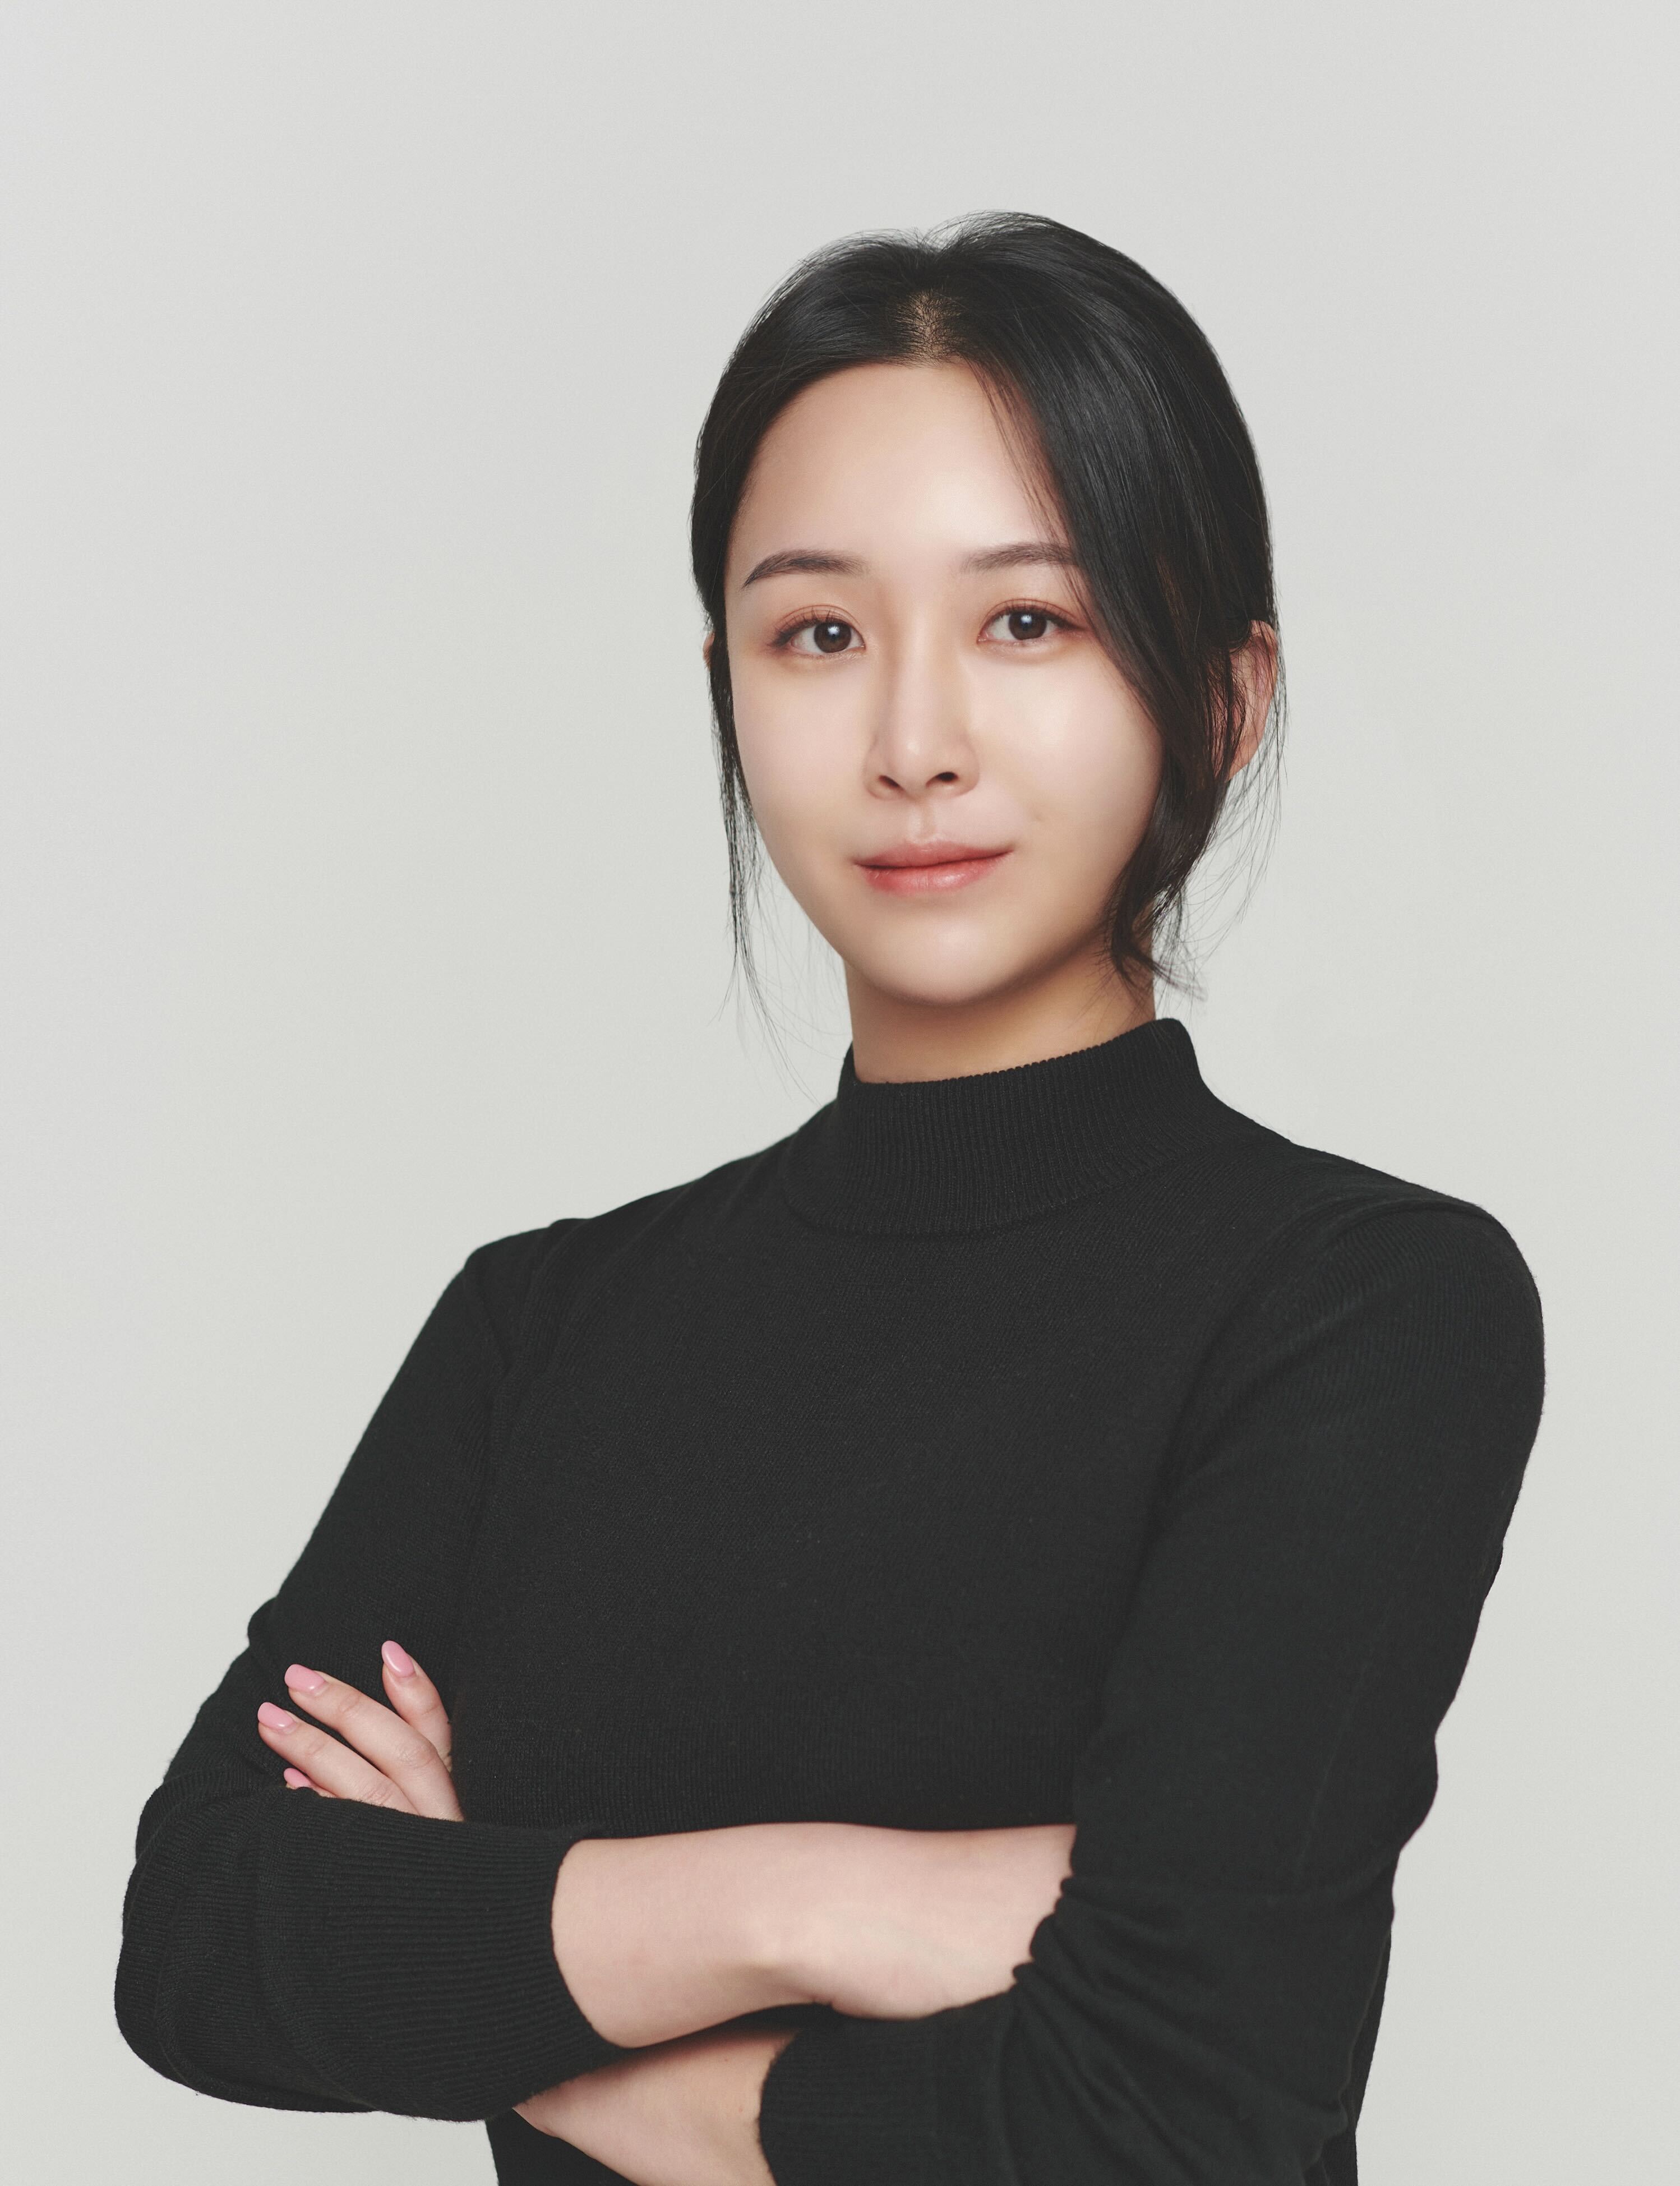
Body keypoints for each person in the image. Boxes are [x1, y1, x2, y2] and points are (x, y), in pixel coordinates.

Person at [115, 213, 1545, 2186]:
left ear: (1222, 701)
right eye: (817, 634)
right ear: (729, 687)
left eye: (1027, 622)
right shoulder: (544, 1323)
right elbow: (199, 1937)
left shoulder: (1361, 1303)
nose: (912, 745)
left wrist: (515, 1993)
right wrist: (815, 1903)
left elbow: (1162, 2118)